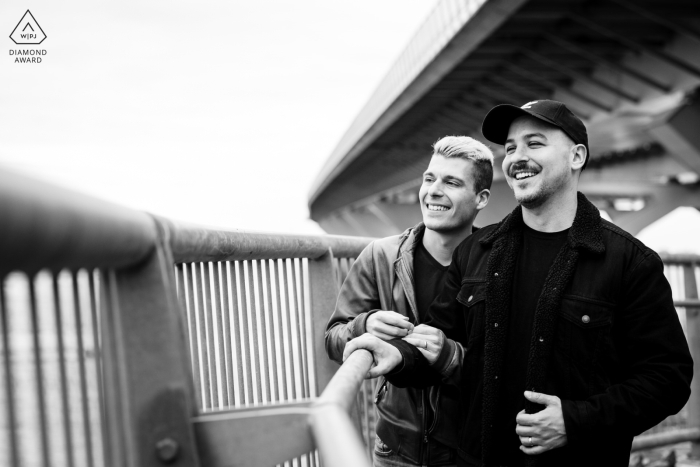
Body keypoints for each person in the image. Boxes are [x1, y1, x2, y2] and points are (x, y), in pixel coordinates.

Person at [343, 100, 693, 467]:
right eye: (510, 148)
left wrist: (575, 421)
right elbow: (438, 342)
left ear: (576, 156)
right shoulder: (475, 251)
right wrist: (398, 355)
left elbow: (667, 379)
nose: (516, 157)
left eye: (534, 143)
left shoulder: (630, 262)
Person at [325, 136, 494, 466]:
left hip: (470, 451)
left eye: (452, 182)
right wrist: (364, 324)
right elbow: (333, 339)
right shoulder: (380, 256)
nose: (433, 190)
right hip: (395, 448)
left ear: (482, 198)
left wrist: (445, 355)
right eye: (429, 179)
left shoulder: (497, 265)